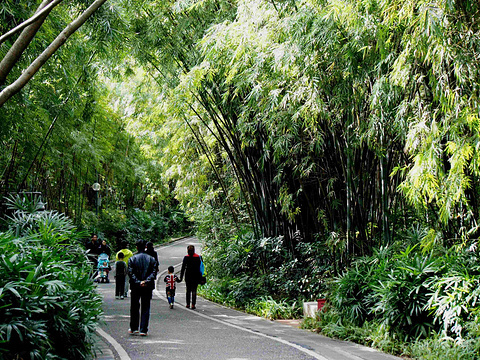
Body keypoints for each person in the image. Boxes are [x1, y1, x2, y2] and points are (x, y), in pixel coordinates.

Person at [128, 240, 157, 336]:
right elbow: (153, 273)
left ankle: (134, 328)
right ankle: (143, 329)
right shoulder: (151, 259)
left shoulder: (132, 259)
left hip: (135, 286)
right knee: (145, 306)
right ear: (145, 247)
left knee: (134, 306)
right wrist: (146, 281)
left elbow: (130, 273)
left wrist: (138, 282)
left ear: (136, 247)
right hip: (147, 287)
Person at [179, 245, 202, 310]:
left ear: (187, 251)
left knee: (188, 290)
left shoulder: (186, 257)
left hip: (188, 275)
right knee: (194, 290)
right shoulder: (198, 257)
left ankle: (187, 304)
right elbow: (201, 268)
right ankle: (193, 304)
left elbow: (183, 268)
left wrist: (181, 277)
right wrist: (201, 277)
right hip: (196, 275)